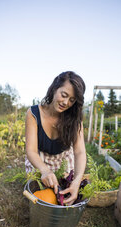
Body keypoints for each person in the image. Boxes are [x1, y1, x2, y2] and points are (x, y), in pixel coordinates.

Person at [25, 71, 86, 205]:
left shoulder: (75, 118)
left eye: (72, 100)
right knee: (39, 191)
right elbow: (31, 151)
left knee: (64, 189)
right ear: (54, 89)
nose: (65, 102)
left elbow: (79, 152)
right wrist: (45, 171)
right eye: (63, 95)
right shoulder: (33, 113)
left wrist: (76, 181)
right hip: (39, 159)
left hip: (63, 159)